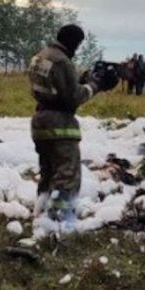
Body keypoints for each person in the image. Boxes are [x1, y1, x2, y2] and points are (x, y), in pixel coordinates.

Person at [27, 24, 106, 233]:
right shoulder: (62, 61)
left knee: (48, 171)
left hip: (40, 121)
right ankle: (60, 221)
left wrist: (79, 81)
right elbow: (73, 98)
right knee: (67, 173)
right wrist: (95, 85)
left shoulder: (40, 56)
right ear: (74, 42)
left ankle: (41, 213)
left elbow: (53, 87)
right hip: (59, 124)